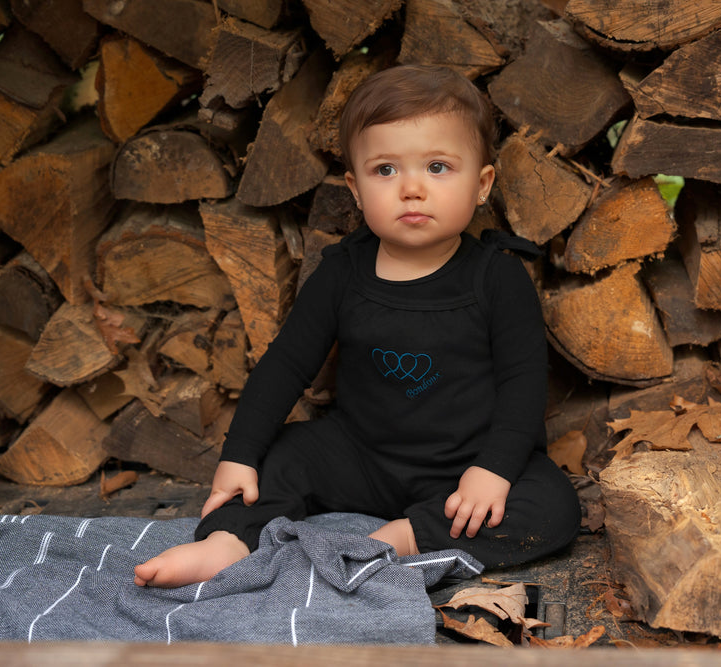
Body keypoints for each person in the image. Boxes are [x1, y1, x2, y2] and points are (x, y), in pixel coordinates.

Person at [133, 64, 581, 588]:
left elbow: (523, 384)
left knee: (554, 506)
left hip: (466, 466)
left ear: (481, 185)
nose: (411, 188)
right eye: (385, 170)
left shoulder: (498, 278)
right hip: (360, 456)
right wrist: (239, 455)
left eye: (438, 167)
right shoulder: (343, 272)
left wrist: (495, 469)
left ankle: (408, 537)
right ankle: (226, 542)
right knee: (279, 455)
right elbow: (286, 365)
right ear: (355, 188)